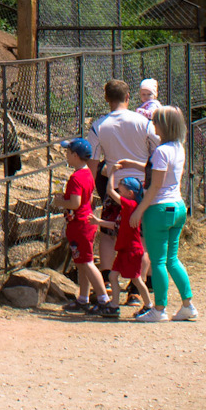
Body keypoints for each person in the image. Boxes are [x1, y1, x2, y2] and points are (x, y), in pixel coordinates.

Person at [118, 105, 196, 323]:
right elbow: (162, 172)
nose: (153, 124)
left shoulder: (161, 151)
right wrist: (135, 164)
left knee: (159, 261)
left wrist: (138, 211)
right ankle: (187, 304)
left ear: (165, 125)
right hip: (177, 206)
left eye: (156, 121)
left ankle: (159, 308)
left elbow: (155, 186)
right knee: (172, 259)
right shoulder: (177, 147)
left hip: (159, 209)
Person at [89, 78, 158, 284]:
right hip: (141, 190)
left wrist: (91, 193)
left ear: (106, 98)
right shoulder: (145, 123)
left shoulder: (99, 126)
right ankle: (138, 288)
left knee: (109, 234)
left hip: (115, 188)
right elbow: (157, 156)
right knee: (142, 237)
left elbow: (92, 165)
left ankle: (107, 283)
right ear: (128, 97)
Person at [58, 138, 109, 315]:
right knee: (81, 263)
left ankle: (104, 300)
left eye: (68, 152)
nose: (66, 155)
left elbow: (74, 203)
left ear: (75, 155)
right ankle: (83, 299)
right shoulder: (88, 173)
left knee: (87, 263)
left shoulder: (76, 177)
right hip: (86, 222)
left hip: (80, 224)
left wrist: (60, 201)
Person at [105, 173, 153, 319]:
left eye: (121, 191)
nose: (119, 193)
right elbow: (118, 226)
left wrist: (112, 171)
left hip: (132, 250)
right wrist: (98, 222)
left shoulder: (131, 205)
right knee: (113, 276)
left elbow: (109, 191)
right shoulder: (128, 208)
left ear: (130, 193)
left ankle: (149, 305)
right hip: (124, 248)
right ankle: (114, 305)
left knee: (136, 279)